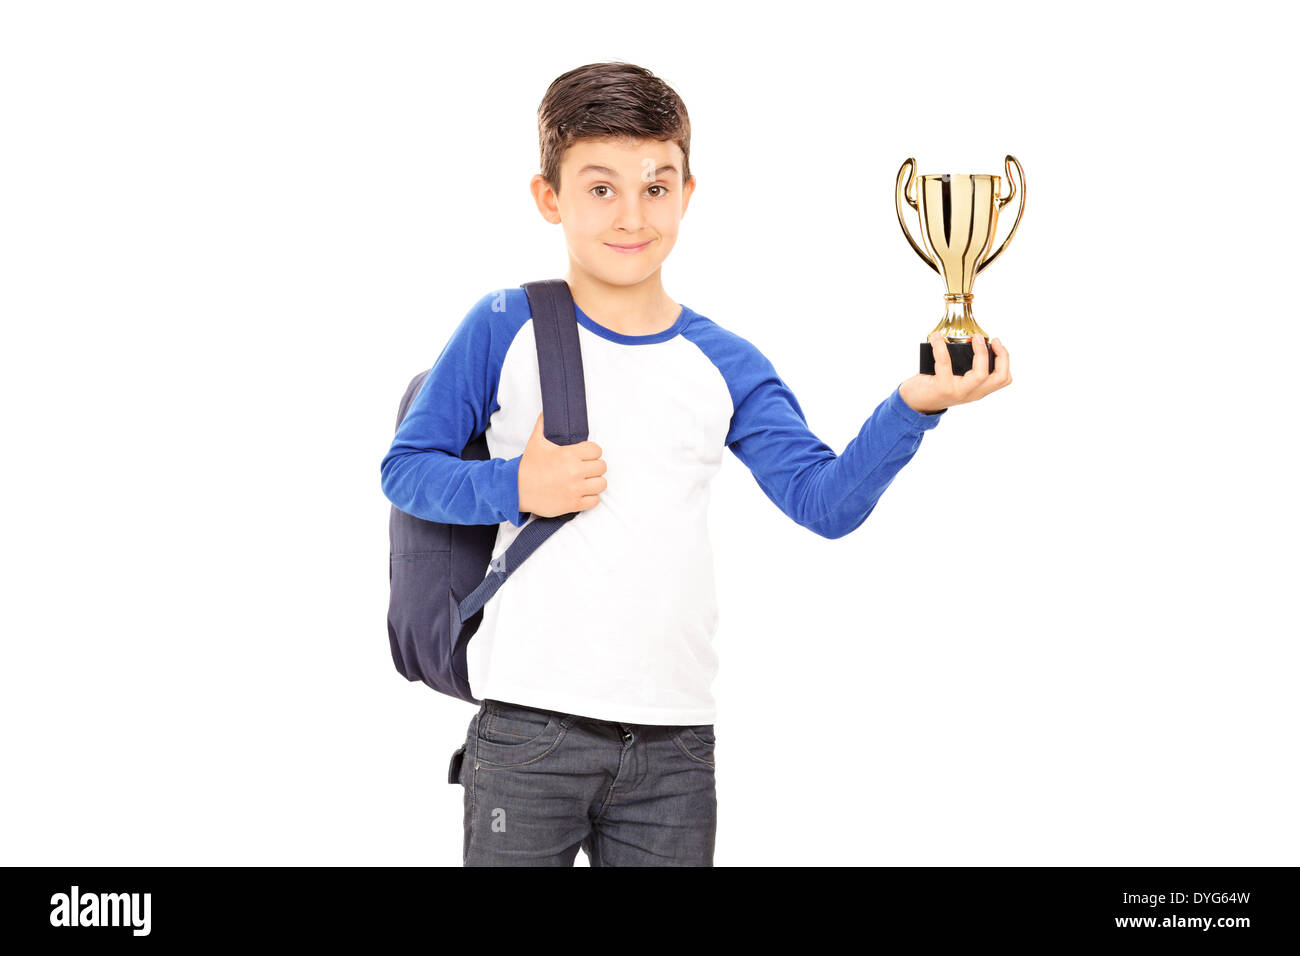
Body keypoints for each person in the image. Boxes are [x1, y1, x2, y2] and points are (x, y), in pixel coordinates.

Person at [379, 62, 1012, 866]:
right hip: (529, 734)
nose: (632, 214)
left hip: (675, 748)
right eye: (600, 188)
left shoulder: (726, 360)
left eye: (657, 184)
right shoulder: (504, 324)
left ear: (686, 190)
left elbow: (825, 502)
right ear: (550, 198)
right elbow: (405, 468)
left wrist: (914, 405)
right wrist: (517, 485)